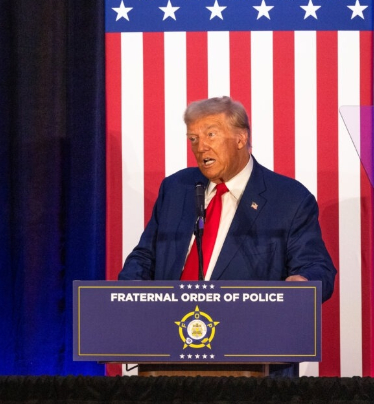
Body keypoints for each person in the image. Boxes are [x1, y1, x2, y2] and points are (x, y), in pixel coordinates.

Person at [118, 96, 336, 302]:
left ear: (240, 139)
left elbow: (316, 265)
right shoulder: (176, 188)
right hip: (169, 328)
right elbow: (145, 257)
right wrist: (131, 295)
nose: (200, 147)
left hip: (245, 332)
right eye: (193, 138)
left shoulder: (290, 199)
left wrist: (304, 281)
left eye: (211, 135)